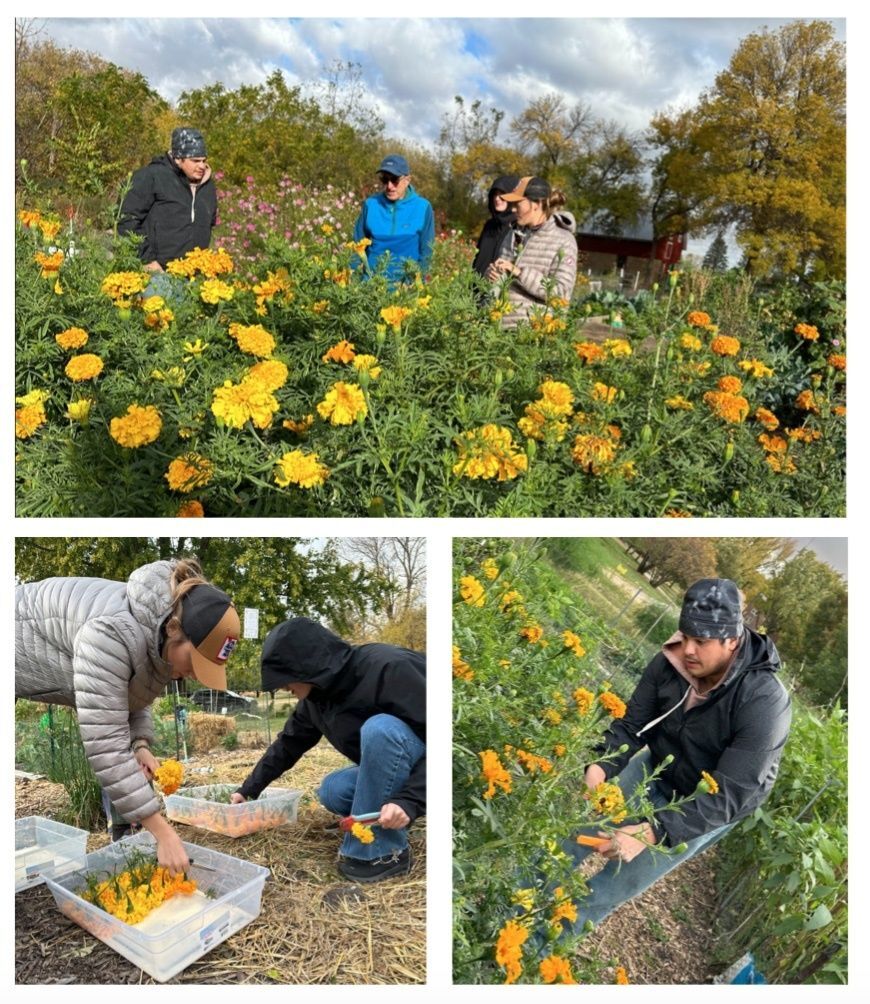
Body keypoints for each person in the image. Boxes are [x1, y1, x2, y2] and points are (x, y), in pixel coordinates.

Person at [559, 578, 792, 933]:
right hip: (655, 767)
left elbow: (729, 796)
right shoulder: (671, 662)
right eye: (685, 636)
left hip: (702, 805)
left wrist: (651, 832)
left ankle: (537, 949)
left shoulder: (764, 702)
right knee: (570, 837)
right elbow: (632, 724)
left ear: (732, 640)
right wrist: (600, 767)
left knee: (609, 889)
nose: (688, 650)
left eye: (702, 641)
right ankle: (509, 911)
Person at [15, 558, 240, 873]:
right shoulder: (111, 631)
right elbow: (105, 742)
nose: (193, 673)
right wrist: (163, 832)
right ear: (175, 629)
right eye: (196, 661)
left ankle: (126, 836)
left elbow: (133, 694)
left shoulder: (157, 632)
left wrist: (141, 745)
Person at [232, 617, 426, 883]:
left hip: (427, 770)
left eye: (286, 679)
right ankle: (390, 813)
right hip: (400, 773)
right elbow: (287, 745)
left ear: (306, 665)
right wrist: (247, 790)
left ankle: (383, 853)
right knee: (332, 790)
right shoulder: (316, 699)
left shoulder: (389, 668)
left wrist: (412, 799)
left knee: (380, 729)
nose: (284, 687)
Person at [117, 127, 217, 272]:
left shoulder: (207, 186)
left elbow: (208, 224)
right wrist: (146, 259)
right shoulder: (152, 177)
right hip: (157, 271)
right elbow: (126, 219)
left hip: (196, 273)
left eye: (204, 160)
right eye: (195, 160)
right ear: (178, 159)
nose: (202, 166)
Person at [486, 176, 577, 327]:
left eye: (518, 203)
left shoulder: (564, 241)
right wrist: (492, 273)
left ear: (537, 204)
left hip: (534, 334)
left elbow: (561, 293)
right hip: (500, 330)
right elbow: (502, 272)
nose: (513, 209)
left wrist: (519, 272)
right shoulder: (512, 232)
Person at [352, 154, 435, 283]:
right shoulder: (370, 204)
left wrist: (419, 284)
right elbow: (357, 246)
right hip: (371, 285)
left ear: (407, 180)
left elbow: (427, 251)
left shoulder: (423, 207)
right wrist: (352, 280)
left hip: (405, 288)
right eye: (385, 180)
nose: (390, 186)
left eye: (395, 180)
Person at [471, 174, 519, 280]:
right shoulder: (489, 226)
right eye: (495, 195)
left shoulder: (518, 228)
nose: (497, 199)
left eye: (502, 194)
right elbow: (478, 261)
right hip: (476, 289)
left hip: (499, 291)